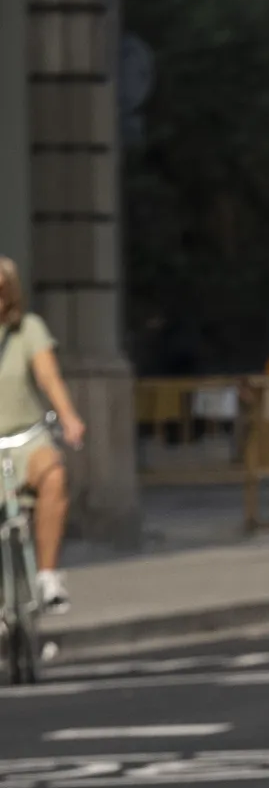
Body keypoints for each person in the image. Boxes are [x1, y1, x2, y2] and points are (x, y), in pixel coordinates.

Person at [0, 257, 90, 613]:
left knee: (53, 475)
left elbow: (48, 376)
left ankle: (48, 575)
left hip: (26, 437)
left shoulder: (27, 329)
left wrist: (69, 418)